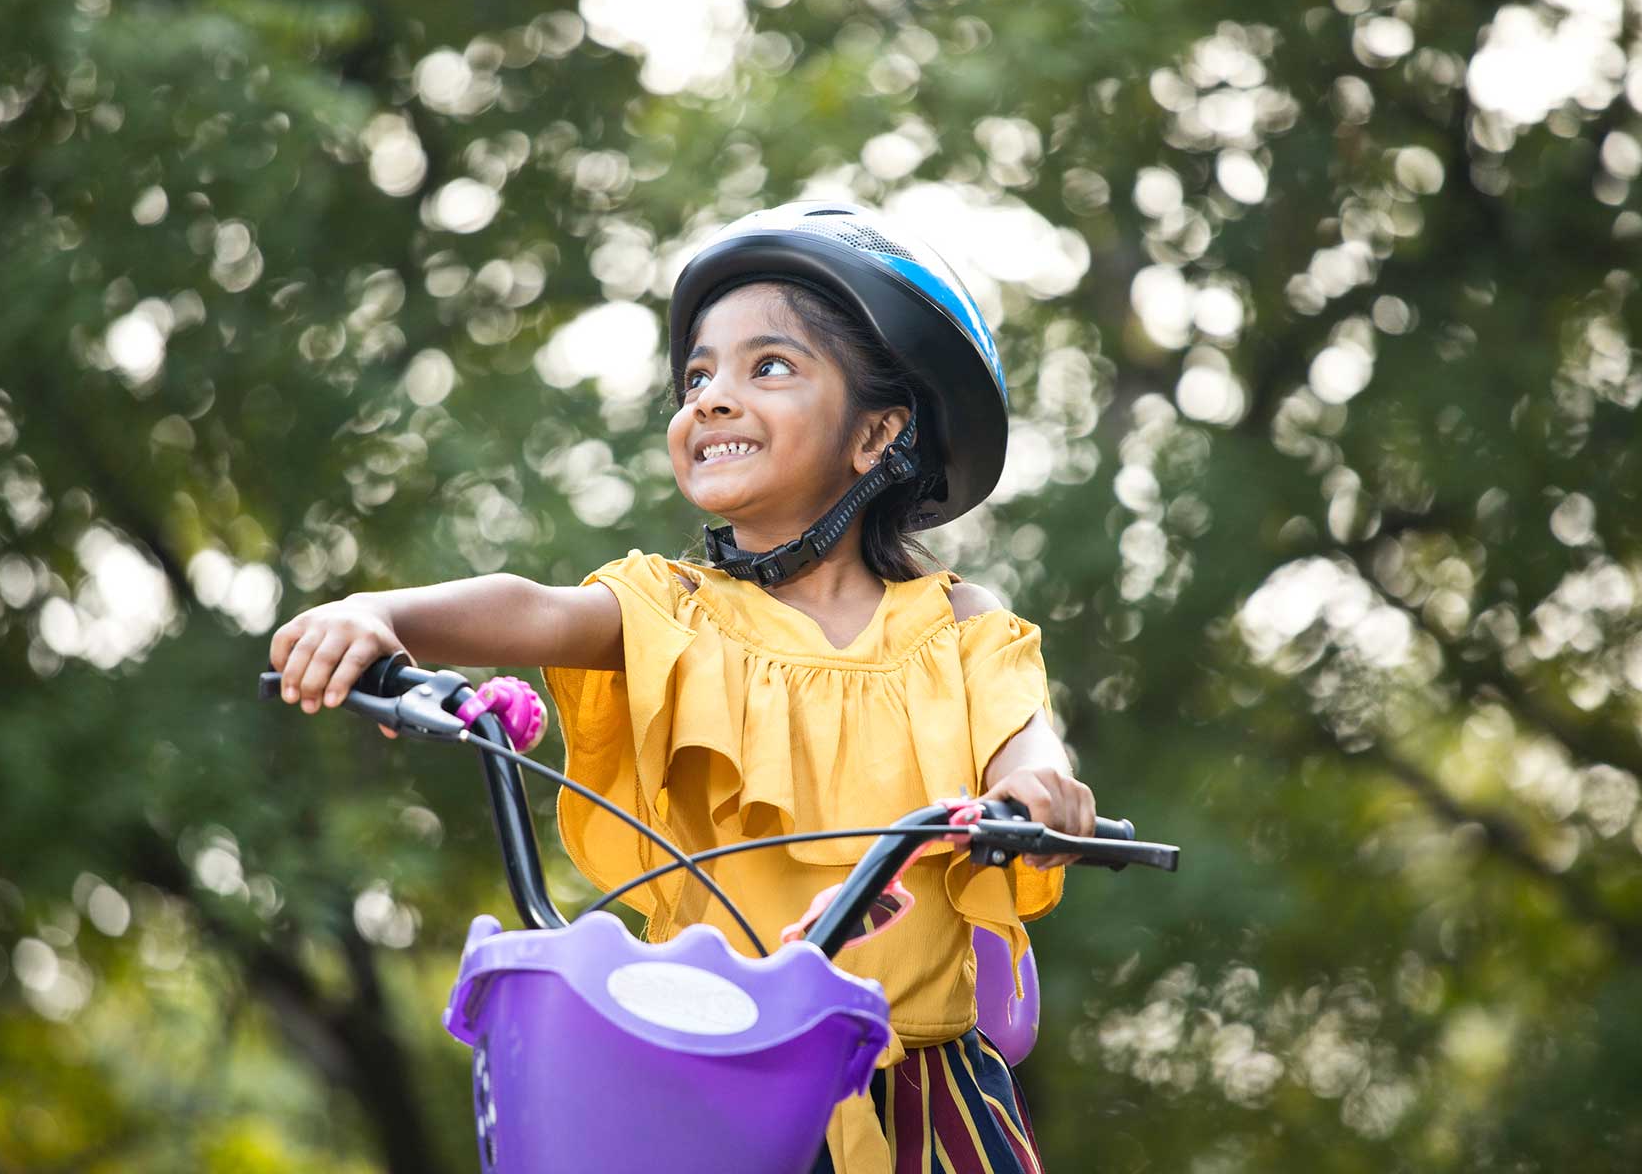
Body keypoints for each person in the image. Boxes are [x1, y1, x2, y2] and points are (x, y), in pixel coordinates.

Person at [269, 201, 1095, 1174]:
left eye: (769, 366)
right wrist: (385, 614)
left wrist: (1038, 786)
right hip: (717, 1068)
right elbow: (531, 609)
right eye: (697, 374)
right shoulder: (671, 612)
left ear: (879, 431)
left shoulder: (955, 620)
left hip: (923, 1086)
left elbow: (1021, 735)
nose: (711, 397)